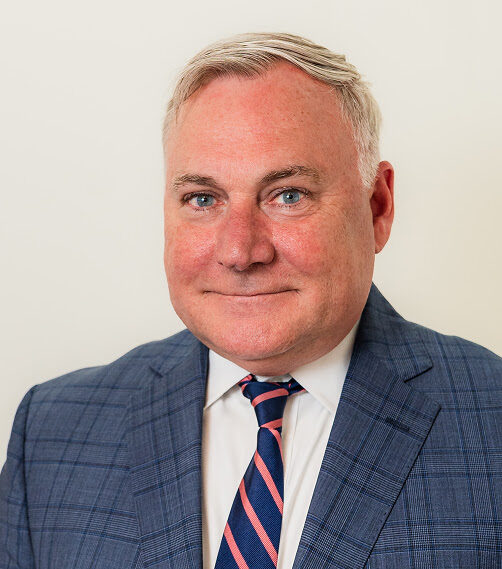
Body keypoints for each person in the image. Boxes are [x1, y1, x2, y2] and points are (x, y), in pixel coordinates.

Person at [1, 32, 500, 569]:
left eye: (288, 195)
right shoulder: (51, 433)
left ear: (377, 206)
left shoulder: (491, 420)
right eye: (203, 199)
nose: (240, 252)